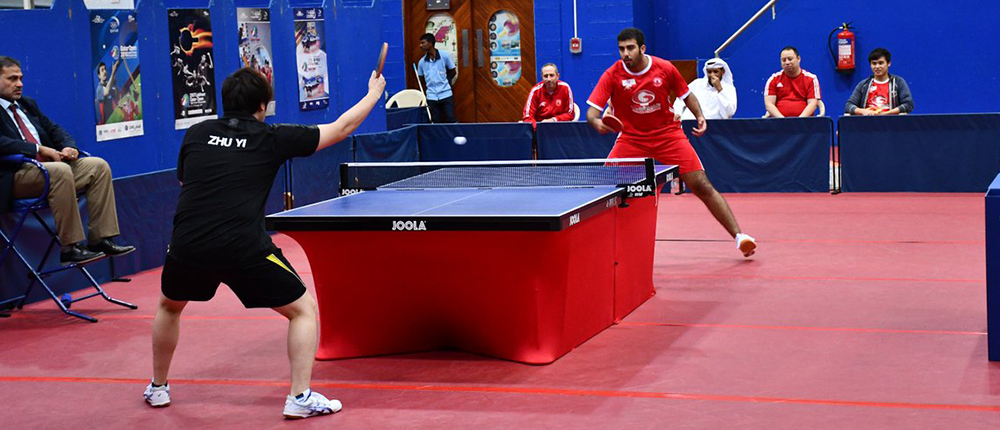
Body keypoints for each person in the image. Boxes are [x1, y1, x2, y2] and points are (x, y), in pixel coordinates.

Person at [144, 68, 386, 420]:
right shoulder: (271, 137)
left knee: (169, 307)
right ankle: (299, 397)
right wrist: (373, 94)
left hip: (188, 242)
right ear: (262, 105)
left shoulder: (196, 133)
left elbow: (187, 183)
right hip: (243, 246)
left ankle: (158, 387)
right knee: (303, 310)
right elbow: (341, 129)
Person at [586, 28, 756, 258]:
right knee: (604, 190)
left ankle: (740, 236)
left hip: (668, 136)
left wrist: (700, 116)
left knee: (701, 185)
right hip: (631, 139)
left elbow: (687, 95)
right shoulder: (612, 74)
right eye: (621, 49)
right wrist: (596, 122)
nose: (625, 53)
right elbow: (592, 112)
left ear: (642, 48)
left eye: (630, 48)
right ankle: (593, 246)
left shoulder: (664, 68)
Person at [0, 56, 134, 264]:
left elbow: (54, 129)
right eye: (12, 79)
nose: (20, 84)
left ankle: (100, 240)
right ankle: (70, 247)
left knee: (97, 166)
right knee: (59, 171)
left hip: (46, 171)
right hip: (16, 175)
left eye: (21, 78)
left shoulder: (27, 104)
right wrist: (38, 149)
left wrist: (68, 147)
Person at [845, 47, 913, 116]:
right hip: (868, 121)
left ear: (889, 63)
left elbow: (908, 104)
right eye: (874, 63)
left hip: (892, 121)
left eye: (881, 63)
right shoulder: (863, 85)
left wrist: (887, 113)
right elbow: (848, 106)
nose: (877, 66)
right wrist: (862, 111)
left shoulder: (898, 82)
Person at [764, 46, 821, 118]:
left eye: (790, 59)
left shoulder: (811, 79)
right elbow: (769, 104)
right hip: (779, 122)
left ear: (798, 59)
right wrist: (783, 121)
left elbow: (813, 103)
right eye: (784, 60)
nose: (787, 62)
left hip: (804, 122)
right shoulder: (773, 79)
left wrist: (798, 121)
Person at [672, 57, 736, 120]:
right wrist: (678, 112)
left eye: (715, 72)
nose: (712, 75)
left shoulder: (729, 88)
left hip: (715, 124)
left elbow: (729, 112)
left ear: (723, 72)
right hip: (691, 121)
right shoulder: (697, 84)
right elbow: (682, 98)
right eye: (709, 72)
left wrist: (719, 89)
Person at [417, 33, 457, 123]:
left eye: (423, 43)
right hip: (431, 95)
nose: (420, 46)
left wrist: (446, 81)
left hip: (446, 93)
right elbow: (421, 78)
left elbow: (453, 71)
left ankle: (455, 132)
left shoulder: (444, 56)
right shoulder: (421, 62)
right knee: (436, 120)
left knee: (450, 118)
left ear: (430, 43)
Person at [95, 57, 121, 125]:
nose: (104, 71)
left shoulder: (109, 85)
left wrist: (115, 83)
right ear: (99, 76)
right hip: (104, 125)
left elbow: (117, 97)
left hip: (112, 121)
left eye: (105, 69)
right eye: (102, 70)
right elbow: (106, 92)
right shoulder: (99, 88)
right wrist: (113, 73)